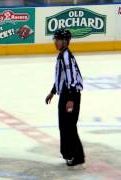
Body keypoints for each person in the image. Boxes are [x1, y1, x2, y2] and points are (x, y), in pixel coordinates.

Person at [45, 29, 85, 166]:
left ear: (65, 41)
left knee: (69, 126)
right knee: (65, 126)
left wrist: (71, 99)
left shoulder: (66, 56)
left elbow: (71, 78)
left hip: (70, 96)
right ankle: (69, 153)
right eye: (55, 40)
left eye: (57, 40)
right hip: (65, 95)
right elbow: (60, 78)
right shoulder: (62, 55)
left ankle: (77, 156)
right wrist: (53, 91)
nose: (55, 42)